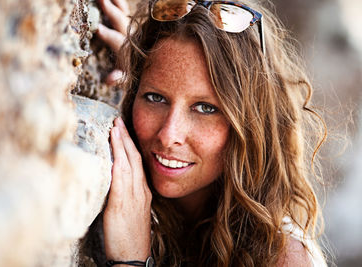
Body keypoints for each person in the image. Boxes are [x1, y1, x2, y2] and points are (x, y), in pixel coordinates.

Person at [82, 0, 328, 266]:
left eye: (205, 108)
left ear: (250, 124)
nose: (168, 134)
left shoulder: (282, 257)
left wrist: (131, 262)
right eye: (155, 97)